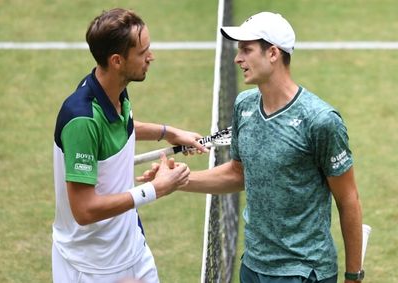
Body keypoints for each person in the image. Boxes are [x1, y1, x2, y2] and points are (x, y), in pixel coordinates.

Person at [138, 12, 364, 283]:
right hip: (253, 266)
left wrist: (354, 275)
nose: (237, 58)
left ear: (273, 53)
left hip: (303, 271)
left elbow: (348, 199)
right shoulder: (244, 105)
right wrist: (177, 181)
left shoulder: (320, 121)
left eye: (246, 50)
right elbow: (239, 173)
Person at [52, 8, 207, 283]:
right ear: (117, 61)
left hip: (131, 246)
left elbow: (123, 125)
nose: (151, 57)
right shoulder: (82, 120)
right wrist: (155, 189)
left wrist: (169, 132)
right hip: (93, 266)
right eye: (142, 52)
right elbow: (84, 211)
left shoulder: (113, 90)